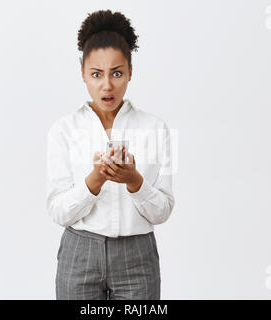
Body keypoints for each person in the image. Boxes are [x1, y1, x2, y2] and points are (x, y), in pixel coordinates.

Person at [46, 9, 175, 300]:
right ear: (82, 74)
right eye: (96, 74)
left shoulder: (156, 128)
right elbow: (58, 210)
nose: (107, 85)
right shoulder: (63, 130)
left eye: (117, 73)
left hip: (137, 256)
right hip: (80, 253)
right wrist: (94, 180)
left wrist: (134, 181)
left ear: (130, 72)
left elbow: (163, 210)